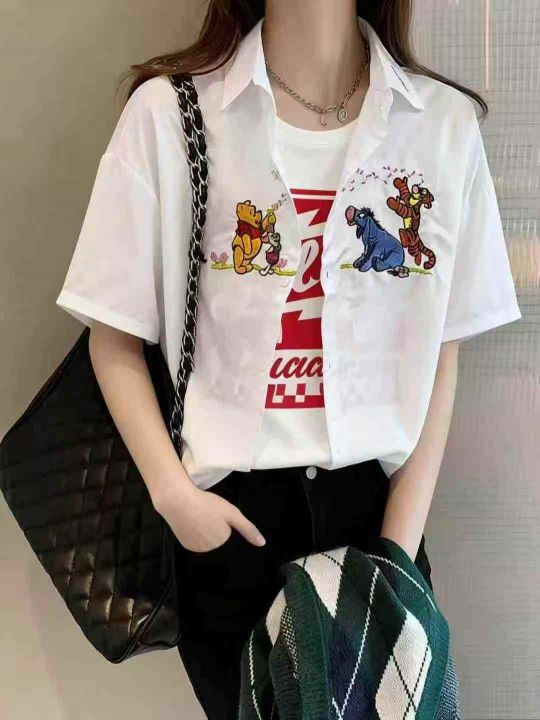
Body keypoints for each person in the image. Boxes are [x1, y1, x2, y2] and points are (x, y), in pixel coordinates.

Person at [55, 1, 522, 717]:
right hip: (232, 521)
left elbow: (442, 347)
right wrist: (174, 496)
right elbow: (112, 332)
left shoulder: (441, 125)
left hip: (378, 511)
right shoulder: (172, 115)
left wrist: (397, 551)